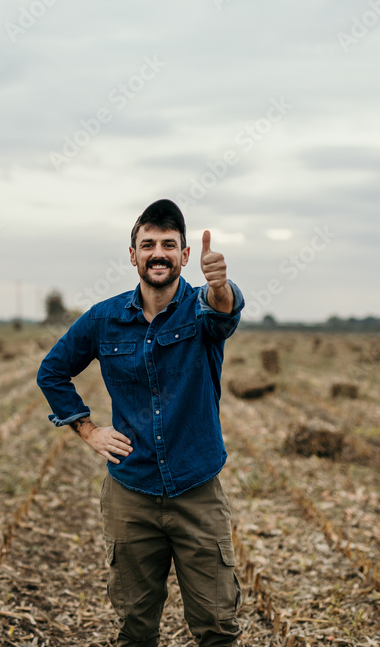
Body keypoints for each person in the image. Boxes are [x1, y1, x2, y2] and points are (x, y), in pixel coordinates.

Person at [37, 199, 244, 646]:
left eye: (169, 244)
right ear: (132, 254)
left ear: (184, 256)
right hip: (130, 495)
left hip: (197, 492)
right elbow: (52, 372)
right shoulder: (104, 318)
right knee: (135, 628)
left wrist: (221, 286)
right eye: (147, 244)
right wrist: (88, 430)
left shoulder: (201, 309)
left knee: (217, 627)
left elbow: (223, 311)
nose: (158, 253)